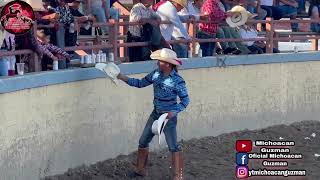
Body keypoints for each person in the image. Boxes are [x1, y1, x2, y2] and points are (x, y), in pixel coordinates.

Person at [117, 48, 190, 179]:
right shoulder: (156, 74)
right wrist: (122, 77)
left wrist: (173, 112)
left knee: (173, 146)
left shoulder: (177, 81)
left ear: (167, 64)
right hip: (157, 113)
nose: (157, 63)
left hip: (168, 117)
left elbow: (185, 101)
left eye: (160, 61)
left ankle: (177, 176)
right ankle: (141, 170)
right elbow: (140, 83)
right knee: (143, 141)